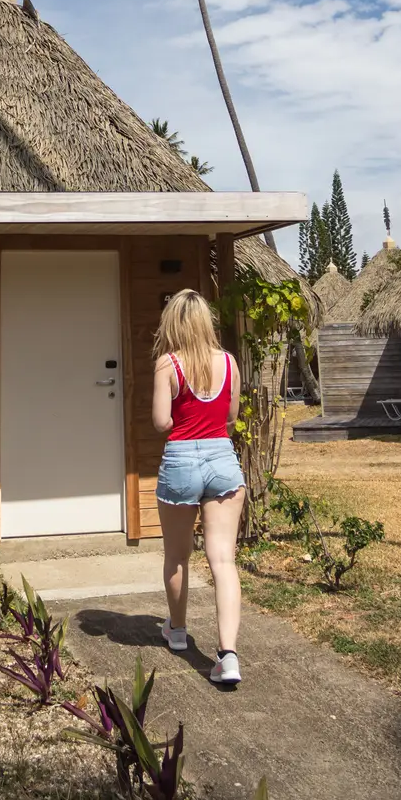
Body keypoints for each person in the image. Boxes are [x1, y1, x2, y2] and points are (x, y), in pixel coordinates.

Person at [151, 288, 245, 687]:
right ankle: (227, 655)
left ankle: (176, 630)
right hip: (222, 459)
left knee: (177, 556)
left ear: (172, 323)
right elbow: (231, 415)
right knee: (223, 560)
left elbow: (160, 422)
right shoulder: (229, 362)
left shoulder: (167, 364)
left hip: (181, 460)